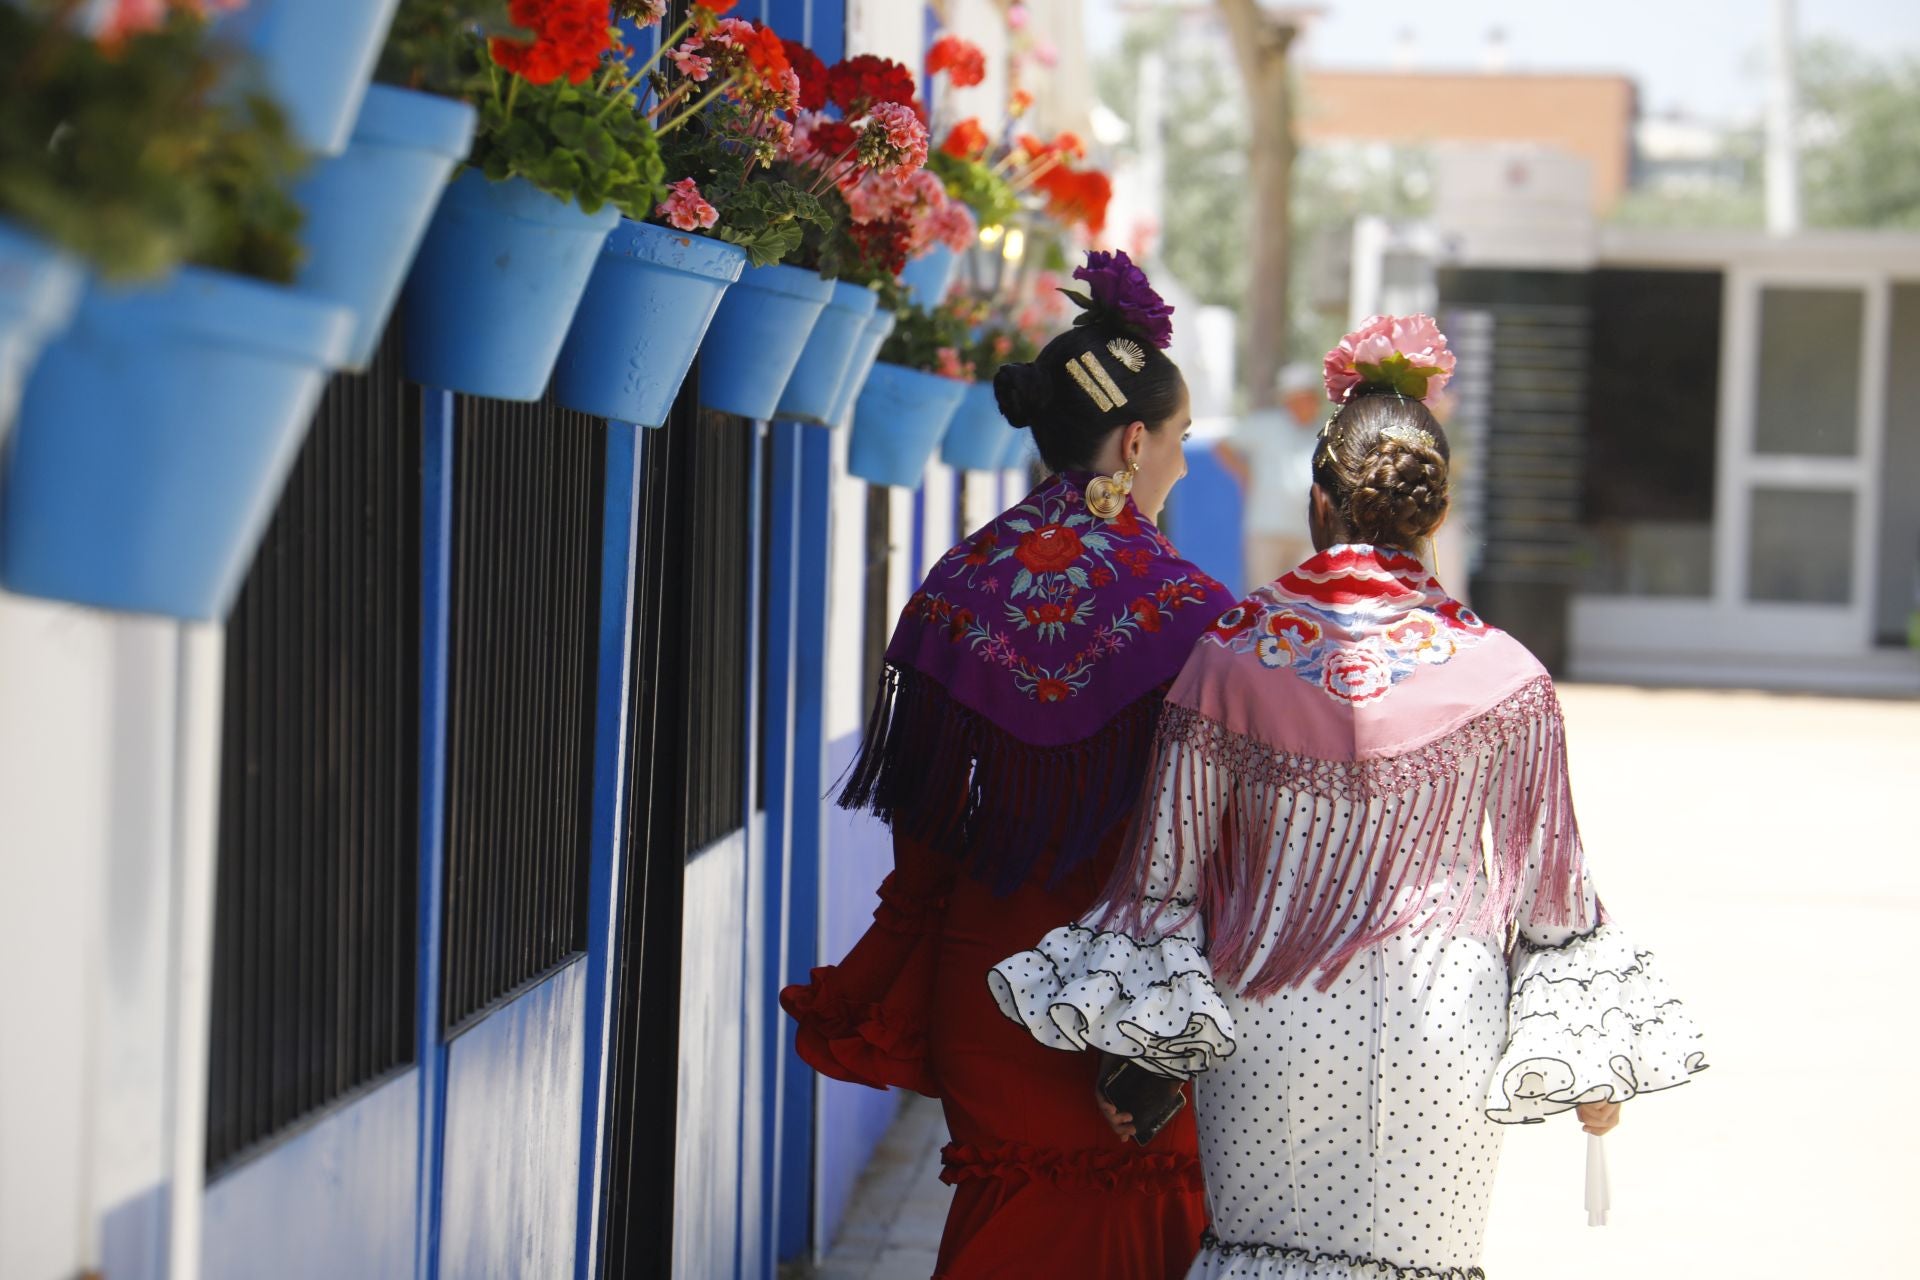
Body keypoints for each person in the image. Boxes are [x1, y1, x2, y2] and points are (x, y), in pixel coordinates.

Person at [990, 314, 1707, 1280]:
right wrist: (1588, 1061)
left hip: (1270, 1018)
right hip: (1446, 1025)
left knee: (1261, 1258)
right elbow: (1553, 902)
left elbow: (1164, 881)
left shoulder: (1231, 656)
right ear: (1435, 513)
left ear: (1319, 502)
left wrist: (1145, 1047)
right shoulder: (1510, 676)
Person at [781, 251, 1236, 1279]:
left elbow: (927, 828)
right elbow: (1216, 839)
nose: (1179, 464)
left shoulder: (955, 589)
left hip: (987, 977)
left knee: (1006, 1223)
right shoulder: (1198, 617)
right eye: (1178, 442)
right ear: (1133, 440)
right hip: (1133, 1001)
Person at [1215, 362, 1323, 589]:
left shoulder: (1323, 429)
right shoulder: (1265, 424)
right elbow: (1224, 446)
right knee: (1262, 594)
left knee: (1304, 596)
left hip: (1307, 530)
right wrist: (1244, 476)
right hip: (1267, 526)